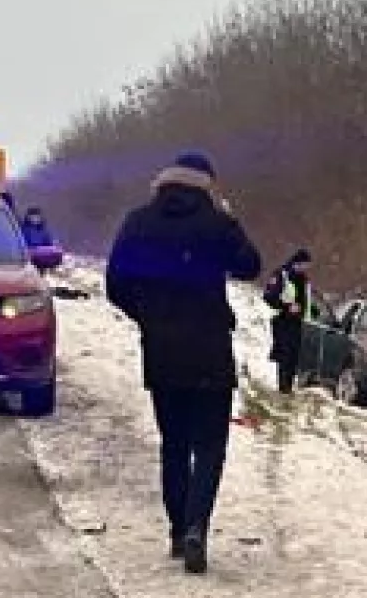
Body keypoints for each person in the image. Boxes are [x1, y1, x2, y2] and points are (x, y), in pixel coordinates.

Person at [105, 151, 262, 575]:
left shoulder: (138, 221)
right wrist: (229, 221)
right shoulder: (216, 222)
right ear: (207, 184)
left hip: (162, 351)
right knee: (210, 446)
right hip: (210, 347)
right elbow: (251, 266)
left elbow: (114, 283)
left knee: (174, 444)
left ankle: (177, 532)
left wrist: (150, 316)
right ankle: (197, 528)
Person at [263, 248, 314, 393]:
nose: (306, 268)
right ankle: (283, 388)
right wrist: (286, 307)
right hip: (283, 320)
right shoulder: (282, 275)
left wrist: (312, 311)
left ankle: (288, 388)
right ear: (297, 263)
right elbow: (268, 297)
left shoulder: (304, 280)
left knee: (293, 358)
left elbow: (306, 301)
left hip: (298, 323)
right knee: (285, 356)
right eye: (304, 265)